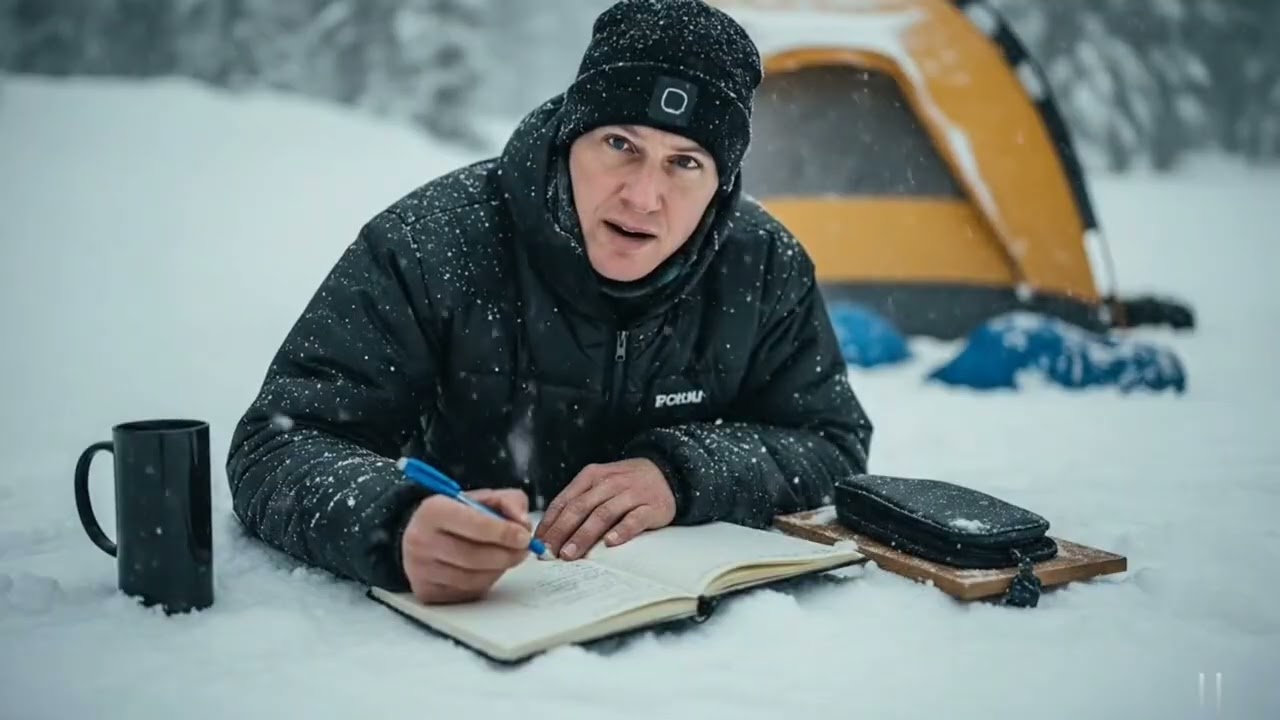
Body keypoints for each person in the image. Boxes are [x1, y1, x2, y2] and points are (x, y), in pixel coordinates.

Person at [225, 0, 873, 606]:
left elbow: (832, 445)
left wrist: (682, 473)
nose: (644, 196)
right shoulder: (429, 244)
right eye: (620, 144)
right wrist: (396, 523)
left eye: (685, 162)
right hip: (463, 643)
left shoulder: (762, 265)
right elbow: (278, 445)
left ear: (720, 186)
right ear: (570, 140)